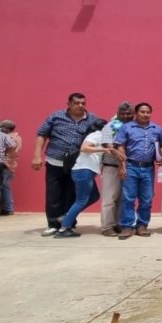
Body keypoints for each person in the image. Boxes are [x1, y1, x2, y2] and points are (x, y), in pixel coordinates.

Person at [32, 93, 100, 236]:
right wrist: (37, 155)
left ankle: (67, 222)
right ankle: (52, 224)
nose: (80, 106)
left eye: (83, 103)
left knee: (74, 195)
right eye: (77, 103)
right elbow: (42, 134)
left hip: (77, 164)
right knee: (54, 194)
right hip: (55, 161)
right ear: (68, 104)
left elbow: (102, 131)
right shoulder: (55, 117)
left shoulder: (92, 118)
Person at [114, 102, 162, 240]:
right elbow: (119, 146)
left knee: (146, 199)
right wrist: (121, 166)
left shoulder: (157, 128)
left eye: (148, 112)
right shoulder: (127, 127)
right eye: (143, 112)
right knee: (128, 198)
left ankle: (142, 226)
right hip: (131, 166)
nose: (146, 114)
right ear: (136, 113)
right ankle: (127, 226)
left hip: (149, 168)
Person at [55, 118, 111, 238]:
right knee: (81, 200)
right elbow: (84, 148)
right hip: (83, 171)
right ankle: (64, 228)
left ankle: (66, 217)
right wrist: (104, 149)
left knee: (94, 196)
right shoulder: (96, 135)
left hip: (86, 172)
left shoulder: (99, 136)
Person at [98, 102, 133, 236]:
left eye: (129, 113)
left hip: (130, 167)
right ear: (117, 114)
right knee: (109, 198)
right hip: (111, 166)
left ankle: (118, 223)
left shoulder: (133, 127)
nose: (125, 116)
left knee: (123, 198)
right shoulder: (109, 126)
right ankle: (107, 227)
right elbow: (107, 144)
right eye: (122, 114)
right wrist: (119, 155)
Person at [0, 120, 22, 216]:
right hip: (12, 163)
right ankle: (8, 207)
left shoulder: (8, 137)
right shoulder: (18, 137)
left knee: (0, 186)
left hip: (5, 163)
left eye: (1, 127)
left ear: (6, 129)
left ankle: (5, 208)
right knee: (6, 186)